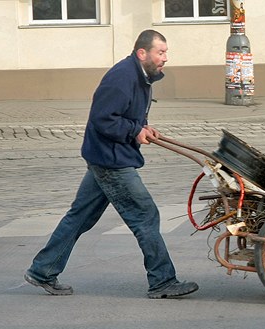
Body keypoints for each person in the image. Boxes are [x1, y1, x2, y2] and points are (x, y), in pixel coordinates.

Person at [24, 30, 198, 299]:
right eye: (160, 52)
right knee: (146, 215)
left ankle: (42, 270)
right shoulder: (122, 77)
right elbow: (103, 119)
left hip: (106, 156)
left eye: (165, 52)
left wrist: (142, 127)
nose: (166, 57)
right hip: (111, 161)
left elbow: (123, 115)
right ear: (143, 53)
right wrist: (134, 130)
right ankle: (162, 281)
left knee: (80, 217)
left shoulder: (140, 76)